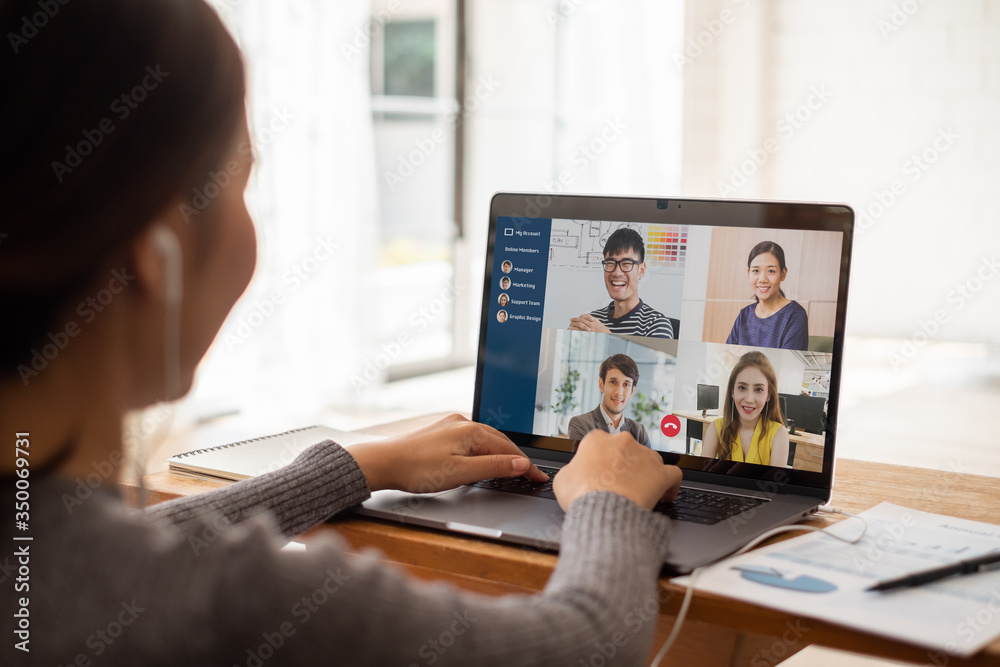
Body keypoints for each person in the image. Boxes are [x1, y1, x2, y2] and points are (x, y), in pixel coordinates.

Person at [0, 1, 683, 664]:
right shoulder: (233, 601)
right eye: (243, 184)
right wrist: (607, 501)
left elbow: (107, 560)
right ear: (158, 257)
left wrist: (357, 466)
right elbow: (586, 645)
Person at [568, 227, 675, 338]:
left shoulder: (657, 325)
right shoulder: (592, 321)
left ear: (641, 270)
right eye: (610, 263)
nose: (617, 272)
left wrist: (606, 335)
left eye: (626, 263)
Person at [701, 351, 790, 467]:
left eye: (758, 389)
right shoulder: (716, 428)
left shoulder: (778, 434)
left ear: (768, 395)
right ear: (732, 391)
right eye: (742, 388)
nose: (749, 399)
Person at [726, 241, 809, 350]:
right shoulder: (744, 315)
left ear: (783, 274)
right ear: (748, 273)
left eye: (771, 271)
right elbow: (727, 359)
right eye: (756, 271)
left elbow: (789, 365)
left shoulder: (794, 315)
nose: (762, 279)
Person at [567, 354, 652, 447]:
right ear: (601, 385)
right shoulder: (580, 425)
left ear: (632, 391)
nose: (619, 392)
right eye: (613, 382)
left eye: (626, 384)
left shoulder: (639, 432)